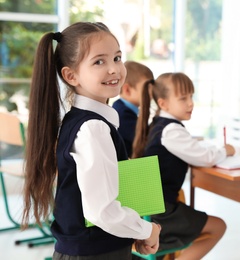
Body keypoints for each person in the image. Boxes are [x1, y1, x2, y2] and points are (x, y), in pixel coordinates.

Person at [22, 22, 160, 259]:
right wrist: (148, 230)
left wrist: (131, 232)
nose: (114, 69)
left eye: (117, 58)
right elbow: (101, 212)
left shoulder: (85, 121)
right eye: (99, 61)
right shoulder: (93, 128)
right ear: (70, 75)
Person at [132, 72, 235, 259]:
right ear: (163, 103)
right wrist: (225, 151)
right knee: (218, 226)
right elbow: (205, 157)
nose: (191, 103)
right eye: (183, 98)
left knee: (210, 226)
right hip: (160, 213)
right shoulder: (171, 130)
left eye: (191, 97)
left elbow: (194, 150)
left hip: (151, 209)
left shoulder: (160, 124)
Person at [113, 61, 154, 157]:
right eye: (147, 88)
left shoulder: (121, 108)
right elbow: (145, 140)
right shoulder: (123, 115)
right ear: (127, 90)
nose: (152, 92)